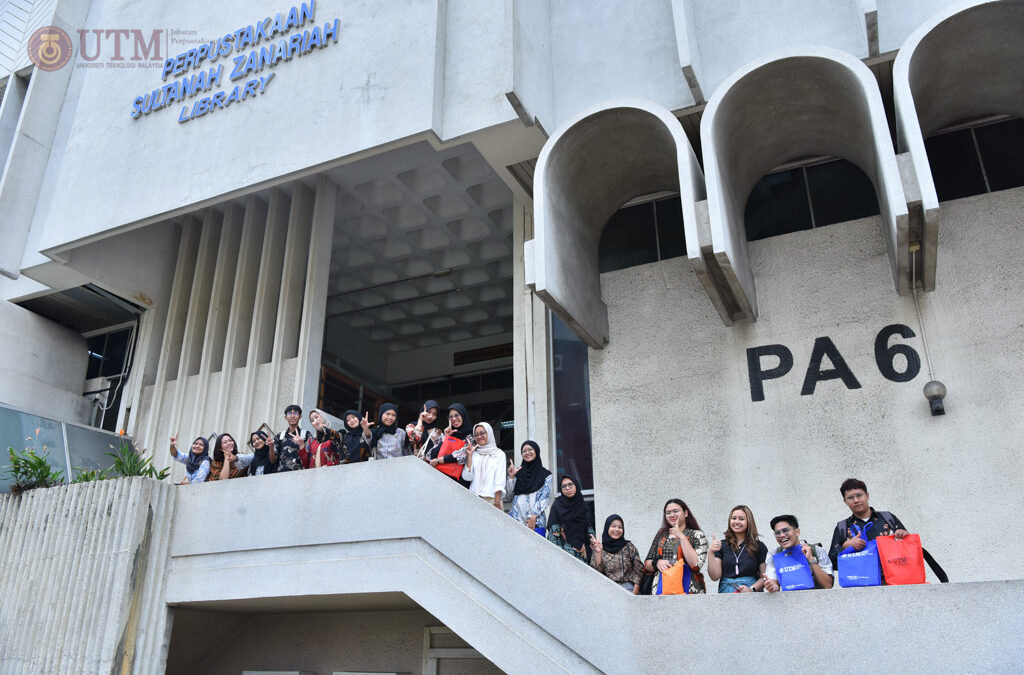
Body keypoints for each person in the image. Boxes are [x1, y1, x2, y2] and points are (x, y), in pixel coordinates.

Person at [828, 477, 910, 573]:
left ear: (867, 496)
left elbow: (908, 551)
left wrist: (903, 536)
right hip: (860, 582)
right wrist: (846, 547)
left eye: (859, 495)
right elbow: (831, 563)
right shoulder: (842, 527)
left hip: (893, 581)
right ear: (845, 501)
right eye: (850, 498)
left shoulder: (888, 518)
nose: (856, 500)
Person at [643, 499, 708, 594]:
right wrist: (656, 563)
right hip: (661, 590)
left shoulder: (697, 535)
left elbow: (696, 564)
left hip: (690, 590)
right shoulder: (661, 534)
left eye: (676, 511)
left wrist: (681, 536)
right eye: (668, 513)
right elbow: (647, 564)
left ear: (686, 513)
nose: (672, 515)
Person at [763, 514, 834, 592]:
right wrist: (773, 586)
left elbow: (828, 585)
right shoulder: (774, 554)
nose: (782, 535)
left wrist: (811, 560)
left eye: (785, 530)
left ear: (797, 532)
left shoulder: (816, 550)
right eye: (777, 533)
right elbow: (773, 582)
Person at [708, 505, 768, 593]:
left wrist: (751, 589)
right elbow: (715, 577)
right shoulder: (722, 545)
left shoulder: (759, 546)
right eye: (733, 518)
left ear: (749, 521)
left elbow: (764, 577)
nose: (736, 522)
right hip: (726, 592)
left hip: (750, 593)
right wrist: (710, 553)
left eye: (741, 519)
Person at [506, 440, 553, 534]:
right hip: (516, 521)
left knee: (537, 548)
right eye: (524, 451)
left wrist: (533, 516)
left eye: (530, 449)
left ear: (536, 451)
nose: (527, 453)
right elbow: (508, 497)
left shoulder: (546, 475)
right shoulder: (518, 473)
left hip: (536, 522)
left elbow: (544, 499)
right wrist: (511, 477)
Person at [590, 514, 645, 593]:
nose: (617, 529)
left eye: (620, 527)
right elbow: (596, 576)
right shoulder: (599, 548)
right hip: (607, 590)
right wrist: (598, 553)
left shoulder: (628, 546)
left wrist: (633, 595)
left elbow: (639, 570)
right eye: (613, 526)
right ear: (607, 528)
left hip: (629, 589)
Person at [547, 475, 594, 562]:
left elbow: (590, 531)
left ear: (576, 485)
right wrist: (561, 557)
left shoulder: (582, 505)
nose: (567, 488)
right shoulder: (557, 506)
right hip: (564, 556)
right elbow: (553, 536)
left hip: (584, 554)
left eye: (570, 484)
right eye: (564, 486)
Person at [461, 422, 506, 507]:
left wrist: (497, 502)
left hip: (492, 500)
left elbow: (500, 480)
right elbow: (467, 477)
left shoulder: (499, 454)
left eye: (482, 433)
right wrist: (470, 455)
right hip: (474, 499)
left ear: (489, 433)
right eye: (476, 435)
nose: (479, 437)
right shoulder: (475, 454)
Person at [430, 403, 471, 482]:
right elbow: (432, 455)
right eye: (450, 416)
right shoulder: (448, 435)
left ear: (463, 415)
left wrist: (438, 460)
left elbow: (462, 454)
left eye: (457, 415)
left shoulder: (471, 436)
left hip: (461, 481)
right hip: (442, 478)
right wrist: (446, 438)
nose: (454, 419)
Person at [275, 404, 311, 472]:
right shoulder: (280, 436)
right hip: (281, 476)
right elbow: (273, 459)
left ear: (300, 416)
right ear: (285, 417)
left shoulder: (306, 435)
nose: (292, 416)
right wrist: (270, 447)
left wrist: (301, 444)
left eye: (295, 413)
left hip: (300, 475)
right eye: (289, 413)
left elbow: (310, 458)